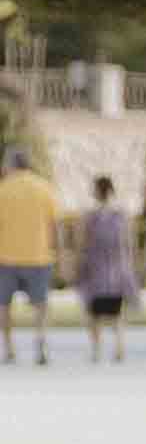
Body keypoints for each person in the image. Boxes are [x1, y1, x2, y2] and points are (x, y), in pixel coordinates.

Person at [72, 175, 138, 365]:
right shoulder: (122, 215)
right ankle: (119, 347)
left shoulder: (89, 216)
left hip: (95, 270)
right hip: (117, 271)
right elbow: (129, 243)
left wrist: (77, 266)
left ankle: (96, 350)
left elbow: (81, 243)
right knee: (116, 312)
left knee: (94, 313)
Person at [0, 147, 55, 368]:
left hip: (6, 257)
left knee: (3, 305)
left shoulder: (3, 190)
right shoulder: (44, 188)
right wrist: (58, 252)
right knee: (40, 304)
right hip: (39, 255)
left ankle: (9, 349)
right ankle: (40, 342)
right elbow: (54, 224)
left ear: (11, 165)